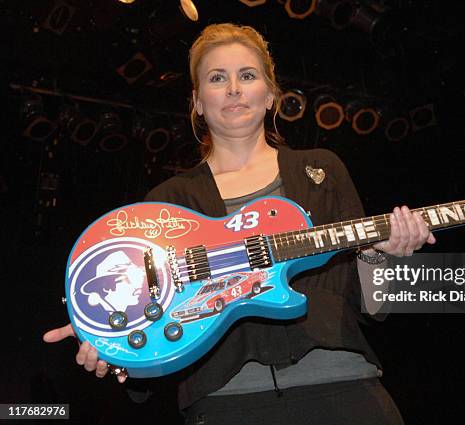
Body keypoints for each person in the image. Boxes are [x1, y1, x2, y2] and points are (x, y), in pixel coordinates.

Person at [44, 23, 435, 424]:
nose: (233, 89)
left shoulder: (322, 169)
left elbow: (372, 305)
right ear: (197, 102)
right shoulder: (166, 204)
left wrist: (381, 258)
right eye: (217, 78)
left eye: (247, 76)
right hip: (227, 402)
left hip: (347, 388)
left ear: (270, 95)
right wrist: (112, 348)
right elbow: (149, 332)